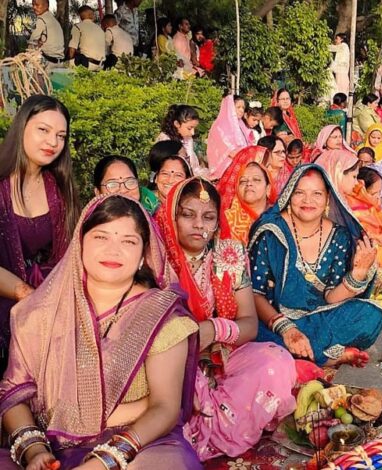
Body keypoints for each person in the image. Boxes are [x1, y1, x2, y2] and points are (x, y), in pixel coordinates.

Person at [0, 195, 201, 469]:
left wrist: (106, 460)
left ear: (144, 255)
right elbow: (15, 392)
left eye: (128, 241)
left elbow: (165, 407)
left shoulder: (161, 315)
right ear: (79, 244)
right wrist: (33, 450)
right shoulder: (38, 314)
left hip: (138, 442)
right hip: (50, 441)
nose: (113, 250)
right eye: (101, 237)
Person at [157, 178, 295, 461]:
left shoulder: (228, 254)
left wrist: (213, 328)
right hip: (171, 361)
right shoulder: (156, 259)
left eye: (208, 217)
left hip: (220, 352)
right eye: (188, 214)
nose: (199, 225)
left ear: (218, 222)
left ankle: (224, 427)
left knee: (275, 361)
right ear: (171, 215)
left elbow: (250, 324)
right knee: (182, 394)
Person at [249, 164, 382, 367]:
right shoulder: (271, 232)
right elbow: (255, 293)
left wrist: (358, 273)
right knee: (256, 339)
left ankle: (304, 355)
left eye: (317, 194)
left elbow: (332, 297)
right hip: (274, 320)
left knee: (369, 317)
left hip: (320, 316)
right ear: (289, 195)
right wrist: (286, 329)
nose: (308, 201)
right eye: (299, 193)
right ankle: (330, 357)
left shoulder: (339, 236)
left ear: (327, 199)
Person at [0, 95, 80, 373]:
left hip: (53, 313)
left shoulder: (60, 189)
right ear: (22, 127)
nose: (52, 142)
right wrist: (27, 294)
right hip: (8, 308)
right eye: (43, 130)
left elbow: (71, 256)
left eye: (61, 135)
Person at [217, 147, 270, 245]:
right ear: (236, 188)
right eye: (243, 181)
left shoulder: (279, 217)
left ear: (268, 189)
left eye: (256, 180)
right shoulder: (227, 221)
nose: (249, 183)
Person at [206, 95, 253, 180]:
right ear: (230, 107)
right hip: (226, 170)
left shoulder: (241, 125)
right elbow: (230, 151)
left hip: (241, 165)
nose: (241, 110)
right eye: (238, 107)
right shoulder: (219, 126)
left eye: (243, 107)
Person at [143, 141, 192, 214]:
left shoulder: (193, 202)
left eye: (178, 175)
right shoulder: (143, 204)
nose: (170, 180)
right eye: (165, 173)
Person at [158, 104, 206, 177]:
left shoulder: (187, 139)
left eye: (194, 129)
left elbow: (194, 167)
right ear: (177, 124)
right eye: (189, 128)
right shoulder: (165, 140)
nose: (192, 133)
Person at [68, 6, 106, 70]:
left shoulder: (78, 26)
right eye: (93, 13)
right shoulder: (100, 29)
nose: (94, 15)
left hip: (88, 64)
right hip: (101, 65)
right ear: (90, 14)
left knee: (68, 63)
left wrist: (69, 61)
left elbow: (72, 49)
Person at [28, 0, 64, 67]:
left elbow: (31, 42)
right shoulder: (54, 20)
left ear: (46, 5)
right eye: (33, 5)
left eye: (37, 5)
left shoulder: (42, 19)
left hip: (48, 62)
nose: (34, 7)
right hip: (60, 61)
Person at [257, 136, 291, 204]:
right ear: (266, 154)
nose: (283, 156)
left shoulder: (288, 176)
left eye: (283, 151)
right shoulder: (255, 174)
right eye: (277, 152)